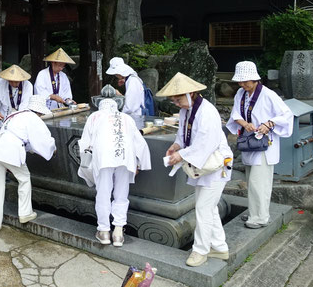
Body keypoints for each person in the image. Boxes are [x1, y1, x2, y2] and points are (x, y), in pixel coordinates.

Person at [160, 72, 233, 267]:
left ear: (191, 93)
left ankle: (200, 251)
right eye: (173, 100)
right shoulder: (187, 110)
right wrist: (176, 146)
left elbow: (205, 143)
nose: (176, 103)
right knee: (208, 208)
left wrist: (181, 155)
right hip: (204, 165)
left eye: (178, 99)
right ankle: (219, 247)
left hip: (216, 165)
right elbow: (183, 134)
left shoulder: (207, 111)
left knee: (203, 208)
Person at [225, 61, 293, 229]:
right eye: (240, 82)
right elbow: (235, 115)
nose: (242, 84)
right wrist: (245, 123)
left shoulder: (268, 94)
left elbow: (286, 114)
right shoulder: (241, 93)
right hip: (250, 141)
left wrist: (269, 123)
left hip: (264, 144)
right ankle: (255, 213)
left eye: (245, 81)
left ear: (255, 79)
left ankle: (260, 218)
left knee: (259, 182)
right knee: (251, 181)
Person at [78, 98, 151, 246]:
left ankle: (104, 231)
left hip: (103, 157)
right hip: (125, 157)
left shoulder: (95, 116)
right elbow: (139, 141)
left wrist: (86, 165)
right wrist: (139, 162)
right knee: (121, 194)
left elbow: (85, 142)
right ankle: (118, 232)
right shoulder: (126, 117)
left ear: (100, 107)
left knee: (103, 193)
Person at [0, 94, 57, 235]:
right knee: (24, 178)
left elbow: (26, 141)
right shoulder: (33, 118)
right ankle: (25, 213)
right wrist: (53, 149)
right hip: (11, 149)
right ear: (40, 111)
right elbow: (45, 141)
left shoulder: (16, 114)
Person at [106, 57, 145, 129]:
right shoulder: (130, 80)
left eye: (116, 74)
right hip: (134, 115)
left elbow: (129, 107)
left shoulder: (132, 82)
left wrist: (119, 116)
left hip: (135, 117)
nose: (116, 76)